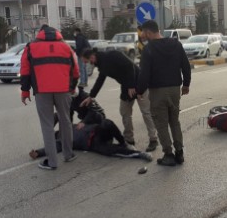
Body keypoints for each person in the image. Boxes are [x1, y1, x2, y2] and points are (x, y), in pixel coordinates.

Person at [30, 90, 151, 161]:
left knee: (107, 123)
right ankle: (139, 154)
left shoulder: (69, 125)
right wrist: (39, 153)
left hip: (96, 130)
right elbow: (54, 148)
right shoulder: (62, 141)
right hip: (92, 144)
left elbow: (69, 116)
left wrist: (82, 122)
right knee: (109, 151)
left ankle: (124, 142)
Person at [21, 26, 79, 170]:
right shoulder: (66, 47)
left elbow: (25, 71)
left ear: (40, 33)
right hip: (64, 90)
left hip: (42, 91)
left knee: (47, 125)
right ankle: (68, 154)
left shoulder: (31, 47)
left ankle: (52, 162)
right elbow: (76, 71)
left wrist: (25, 91)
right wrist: (72, 87)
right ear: (56, 33)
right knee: (65, 120)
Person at [80, 48, 159, 152]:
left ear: (92, 56)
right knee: (124, 112)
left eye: (88, 62)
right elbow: (100, 80)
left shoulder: (112, 54)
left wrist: (131, 85)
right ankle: (129, 140)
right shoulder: (102, 65)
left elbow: (130, 65)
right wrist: (91, 96)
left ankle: (153, 139)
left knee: (146, 112)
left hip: (139, 82)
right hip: (127, 87)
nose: (89, 64)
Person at [136, 20, 191, 167]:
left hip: (157, 91)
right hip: (174, 90)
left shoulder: (148, 49)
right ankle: (180, 153)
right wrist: (186, 84)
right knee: (174, 121)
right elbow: (186, 65)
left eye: (143, 32)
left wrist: (139, 91)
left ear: (148, 32)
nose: (142, 35)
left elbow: (144, 74)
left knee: (161, 124)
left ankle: (168, 154)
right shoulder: (176, 44)